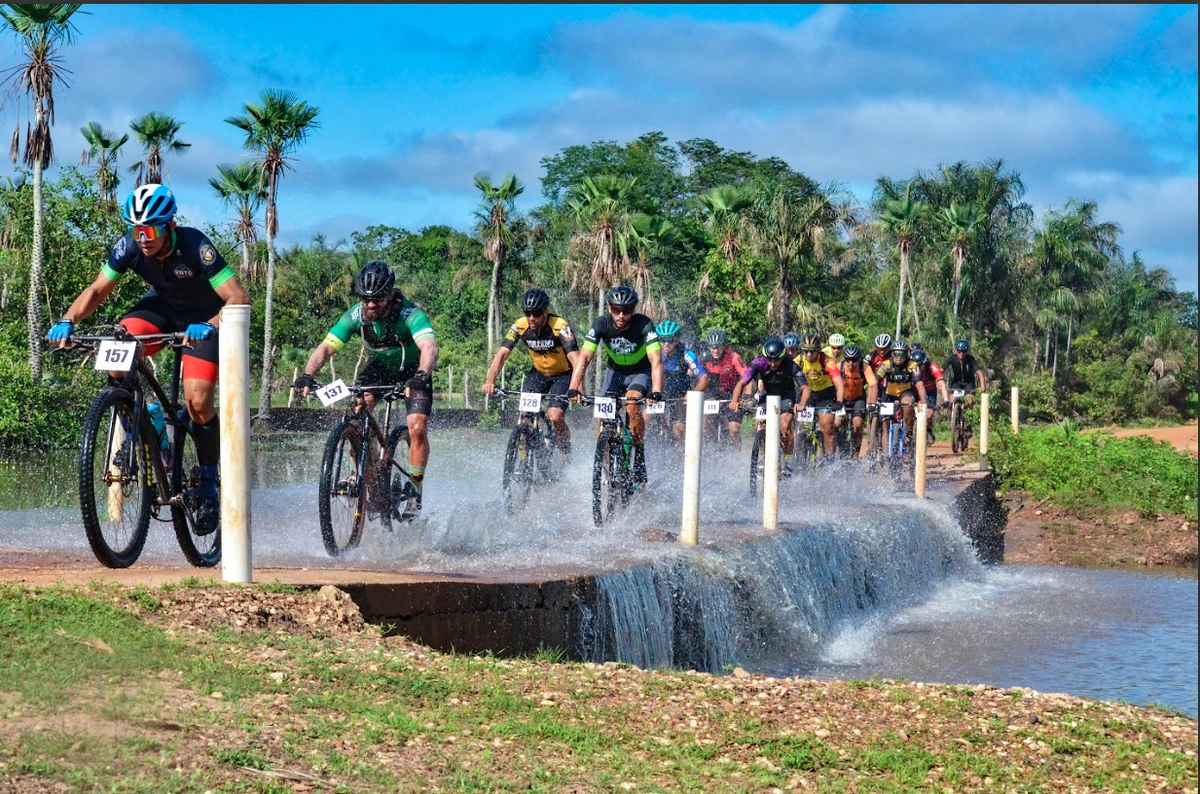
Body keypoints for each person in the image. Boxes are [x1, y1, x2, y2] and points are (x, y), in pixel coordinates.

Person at [47, 183, 251, 536]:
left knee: (198, 402)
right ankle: (144, 420)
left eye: (150, 230)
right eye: (136, 229)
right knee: (118, 348)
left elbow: (237, 297)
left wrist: (209, 325)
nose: (142, 238)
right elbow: (97, 290)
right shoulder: (129, 247)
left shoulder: (194, 245)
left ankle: (207, 481)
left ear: (169, 225)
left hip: (203, 319)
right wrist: (68, 320)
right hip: (161, 309)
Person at [294, 260, 438, 515]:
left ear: (391, 293)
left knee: (417, 426)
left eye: (378, 298)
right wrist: (308, 374)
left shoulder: (410, 314)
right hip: (380, 366)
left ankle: (415, 488)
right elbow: (326, 347)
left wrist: (422, 374)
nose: (371, 304)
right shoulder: (356, 315)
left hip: (414, 369)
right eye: (366, 298)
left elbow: (429, 346)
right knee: (358, 409)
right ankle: (360, 469)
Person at [566, 285, 664, 487]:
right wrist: (574, 386)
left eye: (626, 311)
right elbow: (584, 357)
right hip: (615, 372)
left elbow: (656, 360)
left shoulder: (644, 324)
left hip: (640, 372)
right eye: (616, 310)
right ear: (609, 308)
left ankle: (639, 454)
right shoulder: (601, 324)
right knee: (602, 417)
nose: (621, 315)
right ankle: (605, 465)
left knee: (631, 404)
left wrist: (656, 391)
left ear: (633, 310)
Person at [482, 288, 580, 457]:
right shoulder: (520, 325)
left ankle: (565, 450)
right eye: (528, 313)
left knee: (554, 416)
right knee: (525, 415)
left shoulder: (560, 326)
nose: (532, 318)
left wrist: (576, 387)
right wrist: (490, 381)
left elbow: (576, 359)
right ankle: (525, 455)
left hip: (563, 375)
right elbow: (502, 354)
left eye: (536, 313)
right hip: (539, 373)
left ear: (546, 312)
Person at [731, 336, 805, 474]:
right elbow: (742, 383)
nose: (772, 364)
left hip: (786, 395)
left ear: (782, 357)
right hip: (767, 394)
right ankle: (763, 454)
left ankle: (788, 461)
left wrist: (802, 403)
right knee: (759, 423)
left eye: (776, 360)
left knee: (785, 425)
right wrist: (735, 400)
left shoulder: (791, 364)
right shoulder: (758, 363)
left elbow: (805, 388)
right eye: (769, 360)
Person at [794, 332, 846, 460]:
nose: (809, 355)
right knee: (800, 427)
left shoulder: (828, 362)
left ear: (818, 351)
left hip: (826, 394)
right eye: (806, 351)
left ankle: (829, 460)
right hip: (807, 394)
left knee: (827, 427)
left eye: (813, 351)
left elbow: (839, 384)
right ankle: (796, 458)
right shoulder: (798, 361)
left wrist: (839, 402)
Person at [656, 319, 709, 443]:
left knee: (679, 430)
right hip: (658, 392)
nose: (666, 344)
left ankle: (681, 456)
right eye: (662, 339)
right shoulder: (654, 352)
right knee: (646, 418)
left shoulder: (685, 354)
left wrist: (692, 394)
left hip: (679, 394)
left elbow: (704, 378)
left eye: (669, 339)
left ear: (677, 339)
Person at [872, 339, 928, 449]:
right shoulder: (886, 365)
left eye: (902, 354)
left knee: (908, 405)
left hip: (905, 392)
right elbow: (874, 382)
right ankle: (886, 455)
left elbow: (919, 383)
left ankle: (908, 432)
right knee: (886, 424)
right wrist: (872, 401)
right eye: (896, 354)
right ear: (892, 354)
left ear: (906, 354)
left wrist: (923, 401)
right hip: (889, 393)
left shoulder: (912, 364)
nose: (899, 357)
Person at [700, 328, 748, 451]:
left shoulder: (733, 357)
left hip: (732, 394)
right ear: (708, 347)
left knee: (734, 429)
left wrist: (747, 396)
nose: (715, 351)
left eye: (718, 347)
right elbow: (693, 374)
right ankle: (708, 450)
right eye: (712, 347)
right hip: (713, 393)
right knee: (706, 422)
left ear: (724, 346)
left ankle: (737, 456)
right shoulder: (704, 358)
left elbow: (747, 376)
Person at [838, 344, 879, 459]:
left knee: (858, 424)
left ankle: (856, 454)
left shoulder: (864, 367)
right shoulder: (839, 367)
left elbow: (873, 385)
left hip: (857, 398)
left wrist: (871, 403)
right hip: (842, 399)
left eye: (854, 360)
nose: (851, 363)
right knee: (836, 424)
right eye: (848, 360)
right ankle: (837, 449)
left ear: (859, 359)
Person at [911, 348, 948, 444]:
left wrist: (946, 400)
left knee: (929, 413)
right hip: (914, 391)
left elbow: (941, 384)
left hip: (929, 392)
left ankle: (929, 429)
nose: (917, 367)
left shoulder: (932, 367)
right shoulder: (909, 367)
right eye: (916, 365)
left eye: (920, 365)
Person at [943, 339, 987, 410]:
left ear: (966, 351)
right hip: (957, 382)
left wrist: (982, 386)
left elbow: (979, 373)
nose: (961, 353)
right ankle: (955, 417)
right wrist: (939, 383)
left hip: (969, 383)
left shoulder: (971, 359)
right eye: (959, 351)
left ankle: (968, 416)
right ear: (956, 350)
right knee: (951, 401)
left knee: (969, 401)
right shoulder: (952, 358)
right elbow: (941, 370)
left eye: (963, 352)